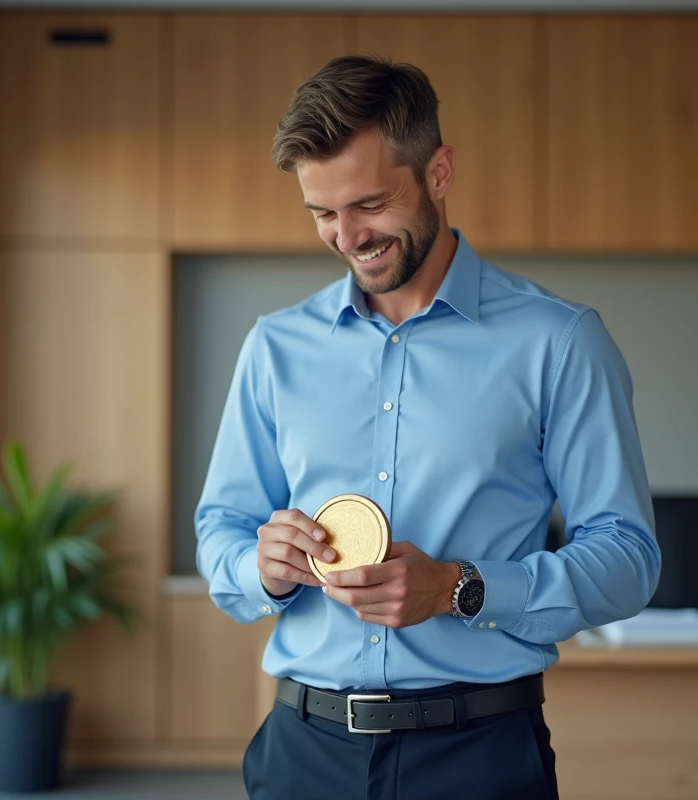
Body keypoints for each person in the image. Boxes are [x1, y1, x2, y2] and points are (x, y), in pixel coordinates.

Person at [194, 54, 660, 800]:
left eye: (370, 204)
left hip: (478, 754)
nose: (347, 236)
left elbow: (628, 558)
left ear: (438, 172)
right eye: (322, 213)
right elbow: (220, 531)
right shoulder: (274, 347)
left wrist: (459, 588)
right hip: (301, 752)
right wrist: (263, 566)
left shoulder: (558, 342)